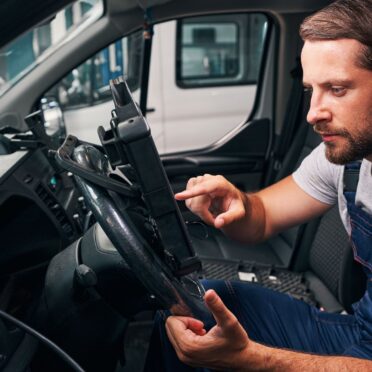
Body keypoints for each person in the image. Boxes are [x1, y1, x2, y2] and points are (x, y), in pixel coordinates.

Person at [145, 0, 372, 370]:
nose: (314, 113)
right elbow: (263, 216)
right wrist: (236, 203)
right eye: (311, 90)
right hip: (360, 332)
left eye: (337, 88)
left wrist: (252, 359)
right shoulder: (348, 161)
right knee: (192, 309)